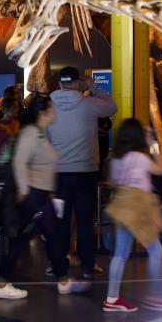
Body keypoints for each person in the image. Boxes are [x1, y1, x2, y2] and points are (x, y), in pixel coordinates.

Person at [0, 96, 91, 300]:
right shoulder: (31, 134)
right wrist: (24, 191)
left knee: (54, 238)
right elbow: (20, 162)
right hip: (32, 196)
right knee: (19, 240)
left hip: (41, 196)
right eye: (52, 109)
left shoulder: (41, 133)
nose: (56, 112)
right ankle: (1, 283)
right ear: (42, 113)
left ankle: (63, 280)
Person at [103, 118, 162, 313]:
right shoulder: (139, 158)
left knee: (121, 254)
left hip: (122, 204)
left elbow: (114, 181)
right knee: (156, 251)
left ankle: (112, 298)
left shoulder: (116, 159)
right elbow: (160, 169)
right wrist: (152, 143)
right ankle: (159, 296)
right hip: (138, 206)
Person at [47, 66, 117, 280]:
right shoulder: (90, 104)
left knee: (61, 221)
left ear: (59, 84)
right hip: (86, 172)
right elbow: (112, 106)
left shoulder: (48, 107)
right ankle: (88, 265)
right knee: (85, 222)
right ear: (78, 82)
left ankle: (58, 265)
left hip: (59, 175)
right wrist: (92, 85)